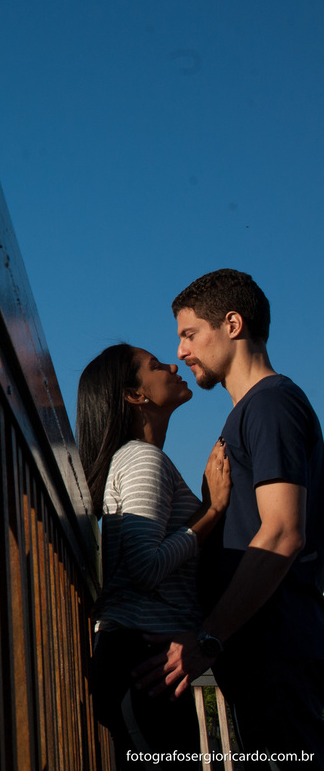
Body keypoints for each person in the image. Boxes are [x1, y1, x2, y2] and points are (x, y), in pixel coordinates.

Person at [135, 268, 324, 767]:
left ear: (233, 325)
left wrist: (208, 637)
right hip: (258, 657)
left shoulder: (271, 405)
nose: (181, 351)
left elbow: (283, 531)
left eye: (189, 334)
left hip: (277, 655)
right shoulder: (248, 414)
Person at [77, 343, 232, 769]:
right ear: (135, 395)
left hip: (145, 664)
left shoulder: (137, 459)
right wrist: (214, 511)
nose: (172, 364)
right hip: (143, 662)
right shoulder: (143, 459)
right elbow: (146, 568)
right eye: (155, 365)